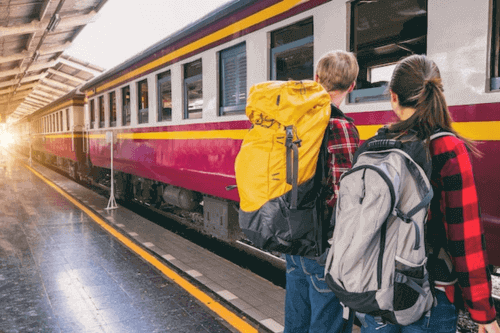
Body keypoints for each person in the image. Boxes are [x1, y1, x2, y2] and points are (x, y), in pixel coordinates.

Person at [358, 54, 500, 333]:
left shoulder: (374, 145)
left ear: (393, 96)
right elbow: (465, 237)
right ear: (437, 93)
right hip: (430, 293)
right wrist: (483, 313)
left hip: (376, 288)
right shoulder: (448, 148)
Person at [284, 50, 360, 333]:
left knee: (296, 322)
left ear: (316, 78)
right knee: (326, 324)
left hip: (294, 238)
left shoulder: (295, 121)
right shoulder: (341, 127)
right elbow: (346, 197)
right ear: (352, 86)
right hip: (324, 244)